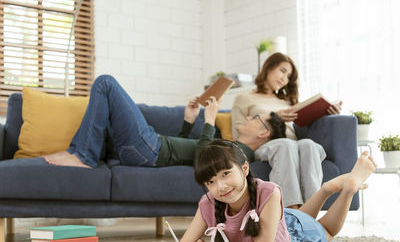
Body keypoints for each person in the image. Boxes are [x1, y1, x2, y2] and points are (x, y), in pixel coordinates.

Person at [169, 140, 376, 242]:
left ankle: (347, 189)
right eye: (211, 181)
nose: (220, 186)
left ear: (245, 168)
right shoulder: (207, 203)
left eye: (226, 174)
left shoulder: (268, 191)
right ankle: (326, 189)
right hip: (280, 219)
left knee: (327, 231)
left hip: (295, 232)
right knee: (301, 218)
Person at [44, 75, 286, 168]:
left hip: (149, 149)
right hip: (151, 148)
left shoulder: (242, 153)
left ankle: (84, 157)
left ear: (264, 133)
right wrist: (189, 122)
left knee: (106, 84)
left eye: (256, 118)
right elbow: (181, 151)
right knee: (105, 107)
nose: (249, 118)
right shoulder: (233, 146)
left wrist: (210, 120)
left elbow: (203, 160)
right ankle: (78, 152)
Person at [231, 52, 343, 208]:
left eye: (288, 76)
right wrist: (274, 116)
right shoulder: (244, 98)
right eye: (282, 71)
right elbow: (238, 133)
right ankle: (290, 210)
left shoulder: (287, 101)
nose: (284, 79)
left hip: (292, 143)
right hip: (266, 144)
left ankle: (312, 208)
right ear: (269, 68)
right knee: (285, 145)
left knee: (309, 145)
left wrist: (326, 112)